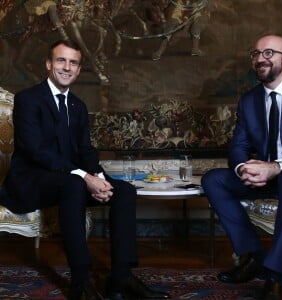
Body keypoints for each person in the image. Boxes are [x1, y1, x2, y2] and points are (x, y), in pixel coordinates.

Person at [0, 39, 170, 300]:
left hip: (68, 183)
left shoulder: (78, 106)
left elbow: (85, 151)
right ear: (48, 64)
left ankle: (121, 278)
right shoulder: (28, 99)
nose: (67, 67)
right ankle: (80, 282)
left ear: (78, 70)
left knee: (123, 191)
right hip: (30, 183)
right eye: (61, 60)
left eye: (73, 62)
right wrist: (84, 176)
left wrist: (100, 179)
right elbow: (36, 151)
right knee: (75, 184)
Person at [202, 34, 282, 300]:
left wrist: (276, 167)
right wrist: (244, 168)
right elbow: (238, 147)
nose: (260, 59)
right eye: (256, 54)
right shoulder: (249, 101)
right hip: (266, 176)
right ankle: (255, 256)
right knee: (213, 180)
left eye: (268, 53)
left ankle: (275, 274)